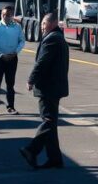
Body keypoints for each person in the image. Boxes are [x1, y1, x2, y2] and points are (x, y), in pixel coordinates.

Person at [19, 13, 69, 169]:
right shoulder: (56, 37)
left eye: (45, 23)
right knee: (51, 123)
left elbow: (42, 62)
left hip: (49, 87)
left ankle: (32, 149)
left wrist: (31, 79)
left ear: (54, 23)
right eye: (41, 23)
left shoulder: (53, 39)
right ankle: (55, 159)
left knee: (48, 121)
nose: (42, 26)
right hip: (53, 86)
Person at [0, 5, 25, 116]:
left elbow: (22, 41)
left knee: (10, 84)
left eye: (8, 15)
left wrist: (15, 52)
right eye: (3, 14)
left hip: (12, 58)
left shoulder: (17, 27)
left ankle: (11, 106)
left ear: (12, 15)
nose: (5, 16)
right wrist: (0, 55)